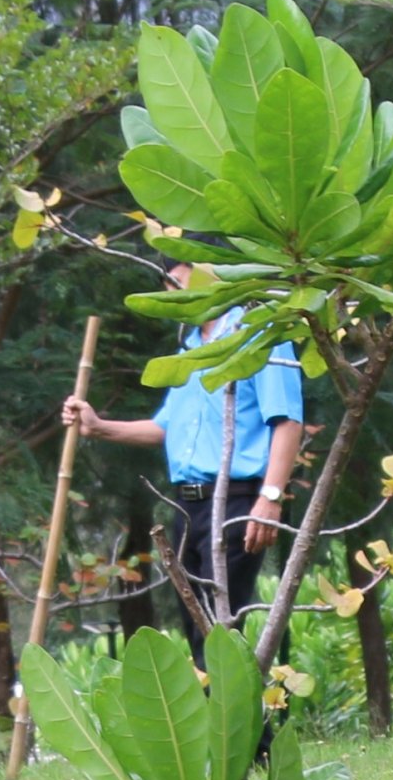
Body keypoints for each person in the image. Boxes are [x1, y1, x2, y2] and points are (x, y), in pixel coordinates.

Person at [61, 261, 309, 647]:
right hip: (185, 508)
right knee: (196, 631)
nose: (171, 289)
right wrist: (98, 427)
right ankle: (205, 705)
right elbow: (166, 427)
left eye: (179, 279)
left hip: (237, 501)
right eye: (167, 282)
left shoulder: (261, 334)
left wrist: (271, 496)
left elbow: (288, 420)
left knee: (219, 633)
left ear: (214, 275)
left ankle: (229, 707)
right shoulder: (190, 347)